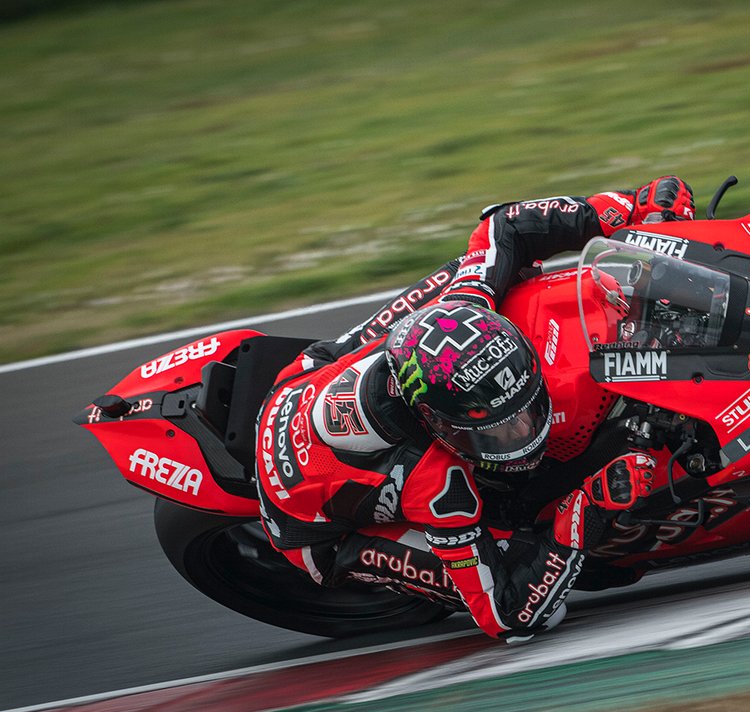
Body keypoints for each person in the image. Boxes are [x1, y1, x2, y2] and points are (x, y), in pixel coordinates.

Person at [255, 176, 694, 641]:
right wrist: (585, 508)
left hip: (300, 377)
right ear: (439, 425)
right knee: (547, 598)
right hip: (312, 533)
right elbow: (507, 617)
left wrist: (623, 210)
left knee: (471, 271)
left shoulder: (464, 303)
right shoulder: (439, 487)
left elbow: (502, 225)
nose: (527, 432)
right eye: (501, 431)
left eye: (526, 414)